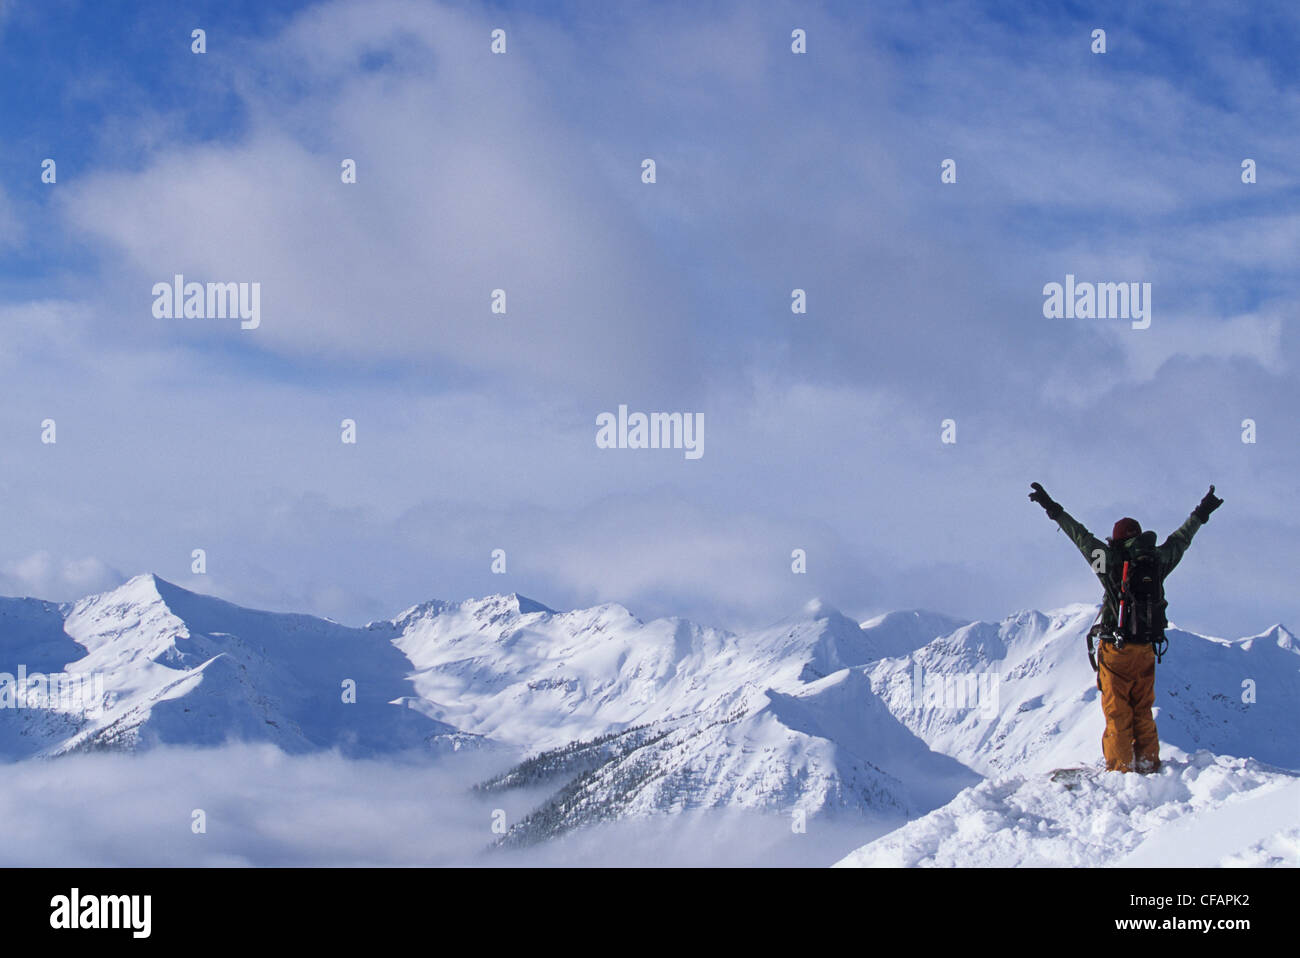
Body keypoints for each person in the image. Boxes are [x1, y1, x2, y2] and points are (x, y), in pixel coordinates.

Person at [1028, 482, 1223, 773]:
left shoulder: (1110, 561)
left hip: (1116, 648)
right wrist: (1201, 512)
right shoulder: (1157, 561)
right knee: (1142, 710)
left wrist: (1053, 509)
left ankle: (1120, 769)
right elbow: (1182, 539)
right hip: (1146, 648)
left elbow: (1080, 537)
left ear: (1116, 540)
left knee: (1118, 711)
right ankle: (1147, 762)